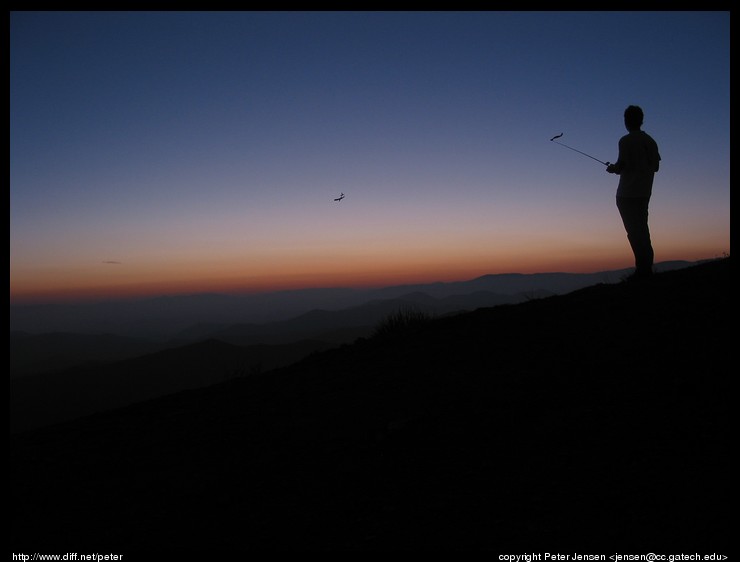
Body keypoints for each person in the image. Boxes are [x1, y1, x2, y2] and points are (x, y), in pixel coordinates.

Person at [606, 105, 661, 280]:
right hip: (644, 192)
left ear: (627, 121)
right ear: (641, 120)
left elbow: (621, 165)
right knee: (642, 230)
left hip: (626, 194)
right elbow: (656, 166)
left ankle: (642, 270)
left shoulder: (625, 141)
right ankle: (646, 268)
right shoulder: (650, 141)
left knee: (634, 232)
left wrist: (613, 169)